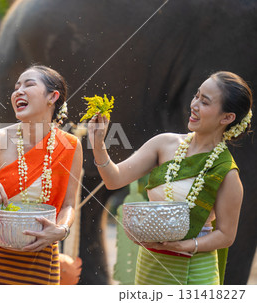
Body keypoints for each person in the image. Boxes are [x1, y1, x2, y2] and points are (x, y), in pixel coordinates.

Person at [88, 71, 252, 285]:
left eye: (205, 101)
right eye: (196, 95)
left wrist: (184, 246)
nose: (193, 105)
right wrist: (99, 145)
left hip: (194, 270)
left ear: (227, 117)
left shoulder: (226, 172)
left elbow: (226, 235)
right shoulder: (163, 144)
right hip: (151, 263)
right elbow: (114, 180)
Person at [0, 65, 83, 284]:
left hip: (40, 252)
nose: (18, 92)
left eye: (29, 84)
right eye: (16, 87)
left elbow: (69, 204)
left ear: (52, 96)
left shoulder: (69, 145)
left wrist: (61, 230)